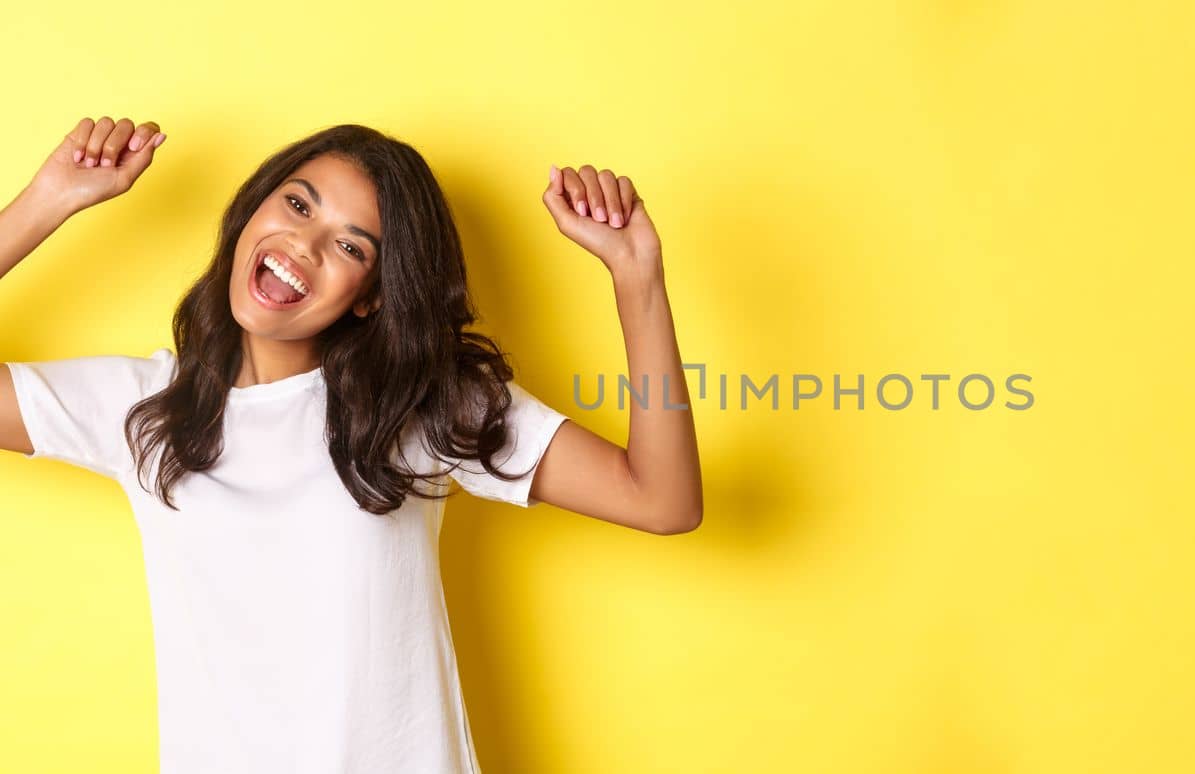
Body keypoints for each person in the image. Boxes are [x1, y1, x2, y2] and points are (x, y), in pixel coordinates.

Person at [0, 116, 704, 773]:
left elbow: (663, 497)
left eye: (349, 245)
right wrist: (46, 200)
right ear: (252, 211)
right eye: (298, 206)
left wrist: (636, 279)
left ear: (371, 294)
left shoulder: (417, 403)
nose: (302, 246)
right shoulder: (143, 409)